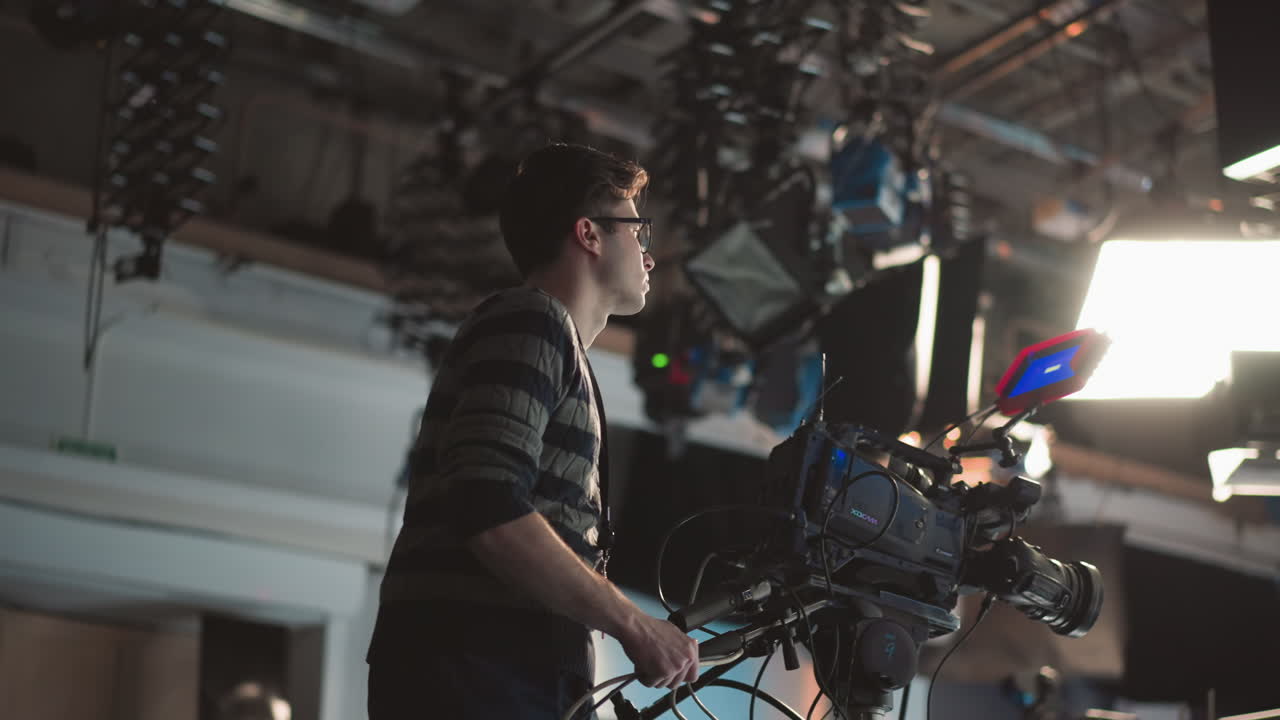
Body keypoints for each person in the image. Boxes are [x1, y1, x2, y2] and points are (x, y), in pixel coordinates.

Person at [366, 143, 699, 719]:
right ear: (589, 234)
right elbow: (487, 503)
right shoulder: (534, 319)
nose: (649, 255)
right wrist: (633, 624)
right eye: (637, 232)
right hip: (480, 661)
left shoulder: (553, 339)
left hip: (501, 665)